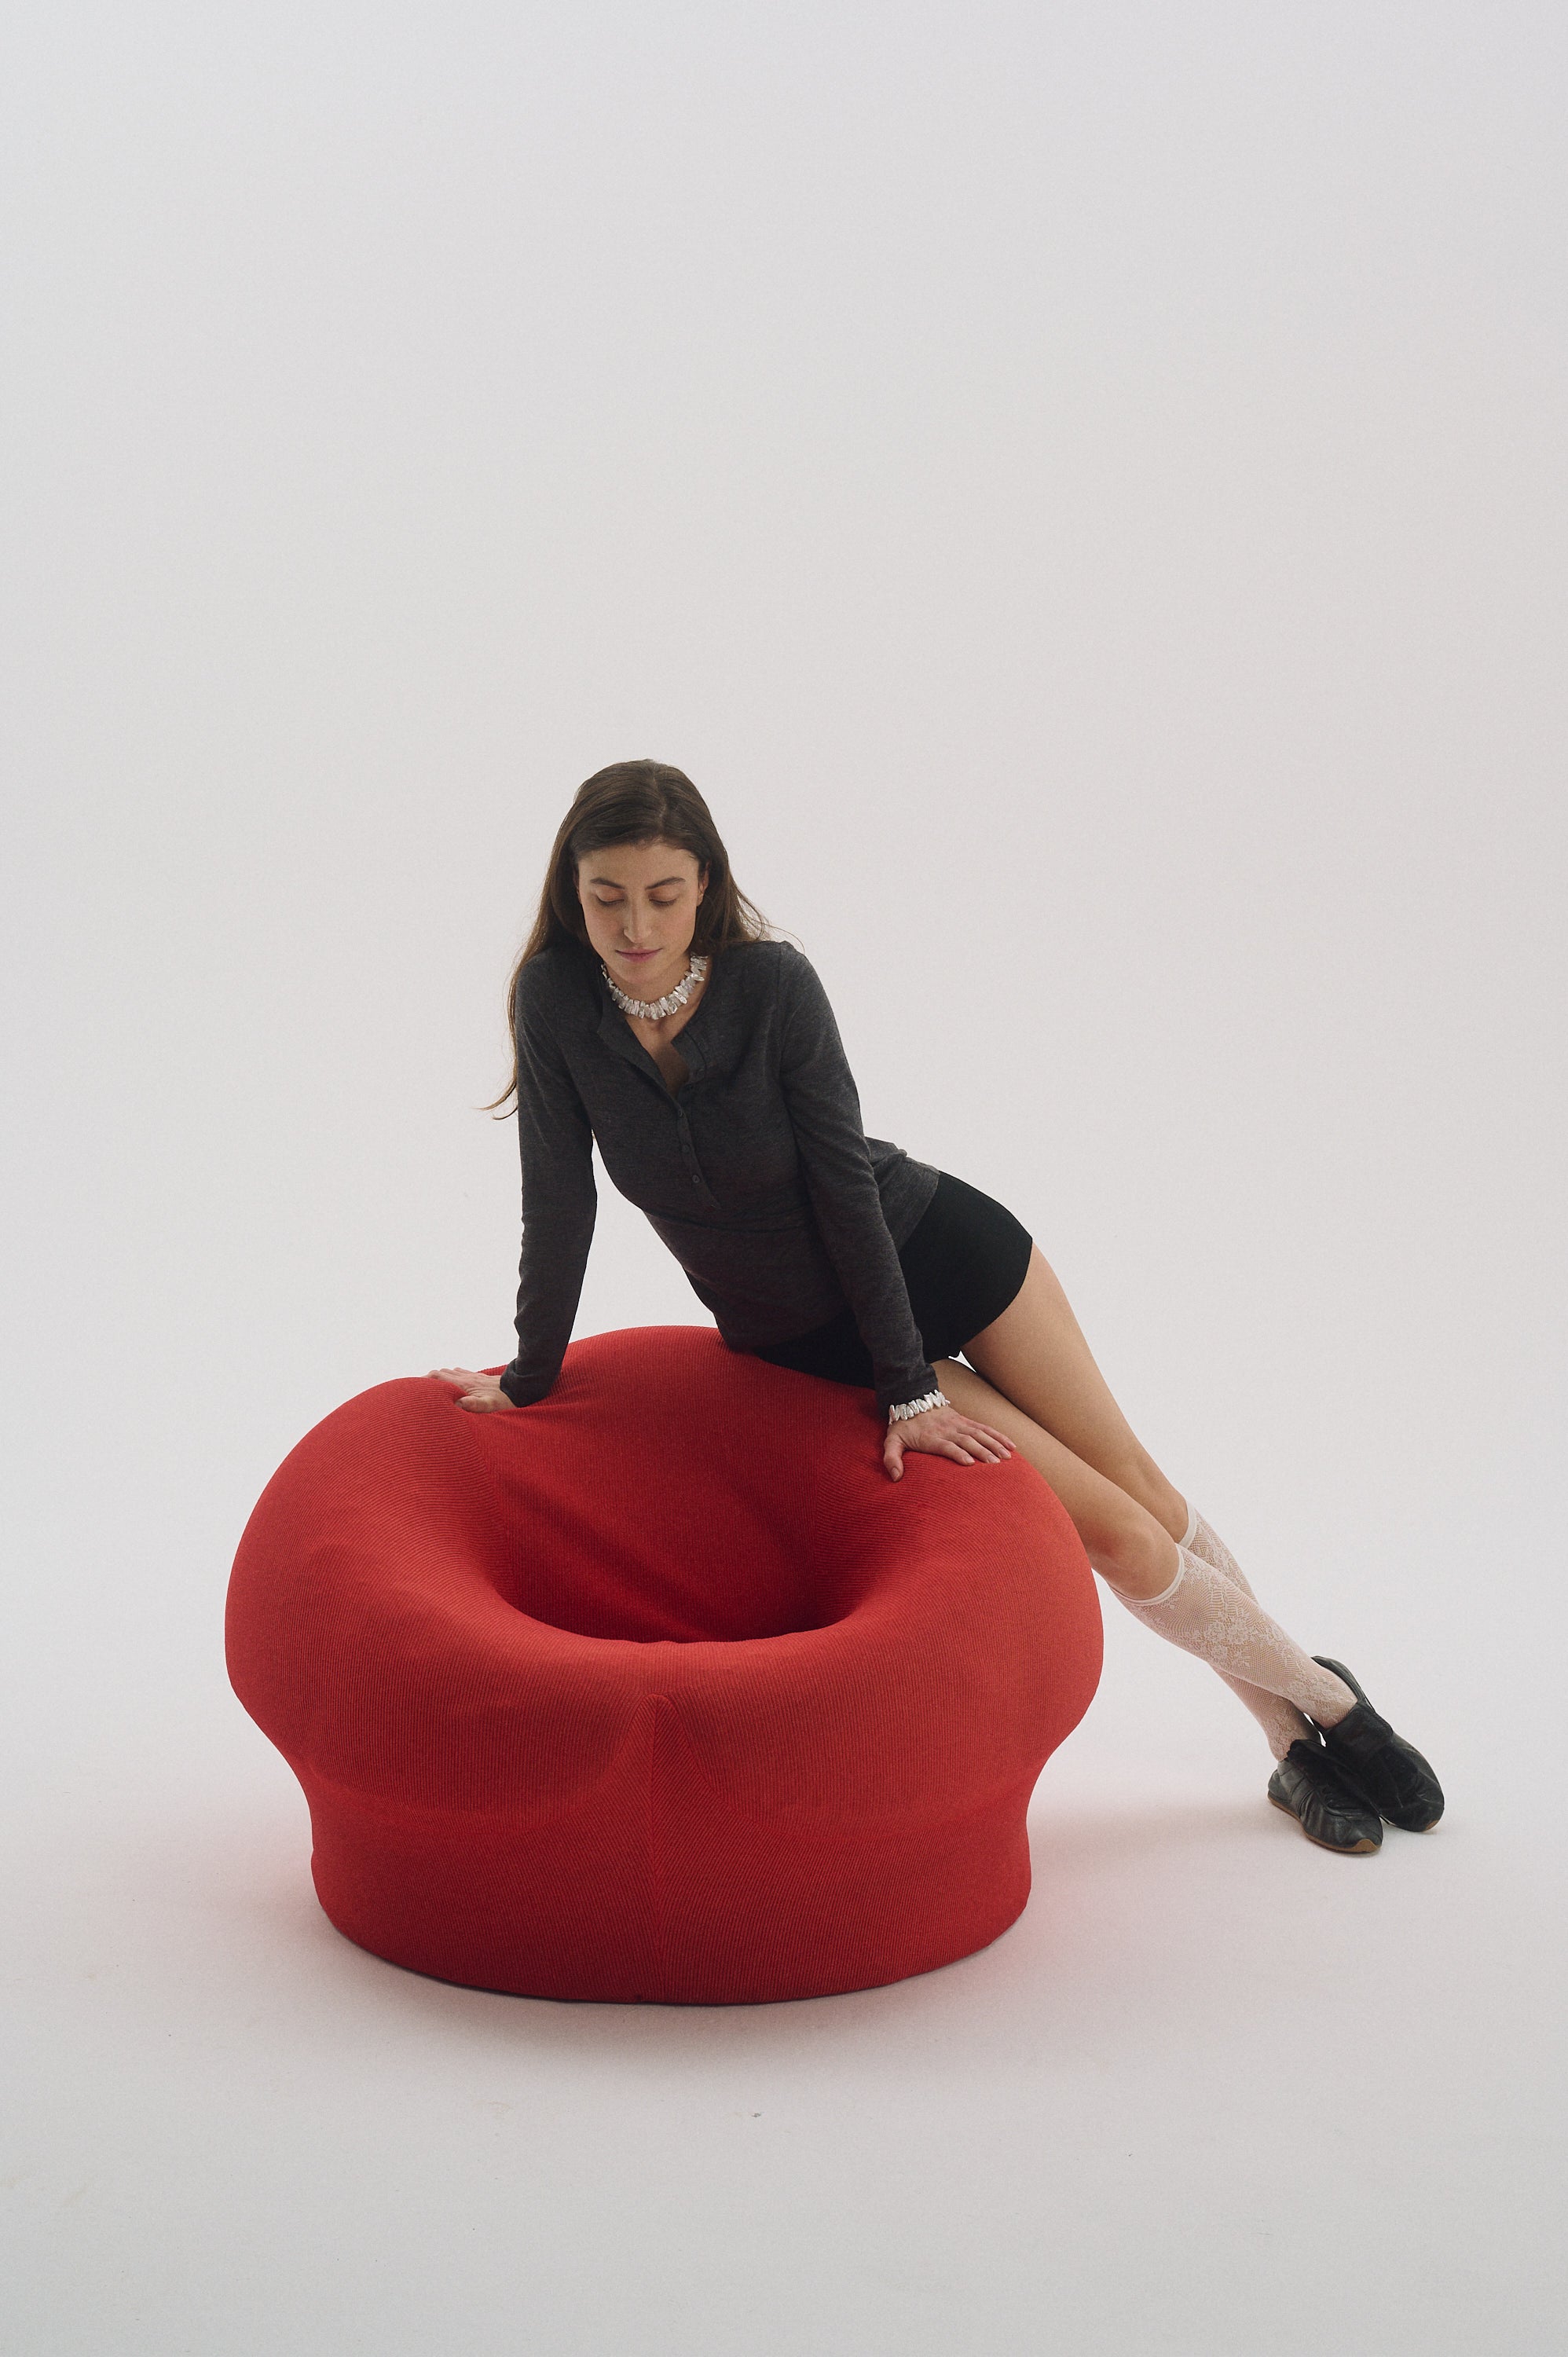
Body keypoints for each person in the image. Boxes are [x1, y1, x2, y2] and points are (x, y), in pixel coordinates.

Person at [432, 759, 1443, 1858]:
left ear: (707, 886)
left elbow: (842, 1186)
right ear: (569, 891)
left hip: (934, 1244)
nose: (635, 925)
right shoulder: (555, 1002)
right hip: (810, 1334)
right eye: (606, 896)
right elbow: (558, 1199)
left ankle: (1285, 1739)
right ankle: (1330, 1704)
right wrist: (530, 1373)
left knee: (1147, 1488)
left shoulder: (773, 986)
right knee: (1109, 1530)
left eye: (663, 895)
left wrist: (913, 1382)